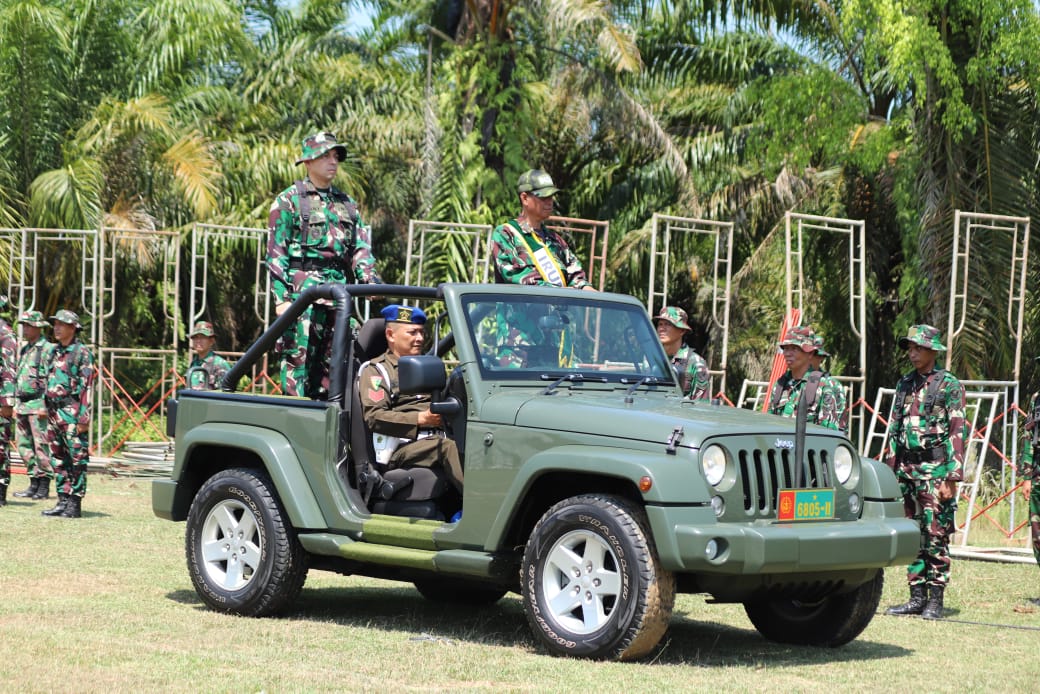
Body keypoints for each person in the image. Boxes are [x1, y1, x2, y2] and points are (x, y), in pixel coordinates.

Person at [267, 130, 382, 398]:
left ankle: (333, 420)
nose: (333, 161)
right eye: (325, 156)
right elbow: (276, 253)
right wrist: (281, 299)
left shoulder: (347, 205)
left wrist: (369, 279)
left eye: (335, 156)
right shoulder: (289, 201)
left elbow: (360, 247)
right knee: (300, 371)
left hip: (339, 297)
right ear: (308, 161)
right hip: (303, 300)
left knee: (339, 371)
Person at [883, 324, 965, 620]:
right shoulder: (904, 384)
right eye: (910, 348)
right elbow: (895, 428)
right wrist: (890, 471)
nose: (912, 353)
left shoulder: (949, 385)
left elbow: (957, 431)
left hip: (935, 472)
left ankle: (935, 599)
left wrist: (952, 477)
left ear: (933, 351)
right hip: (906, 471)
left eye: (918, 348)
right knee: (912, 535)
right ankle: (916, 597)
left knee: (935, 535)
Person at [358, 305, 463, 493]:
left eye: (422, 332)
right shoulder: (377, 371)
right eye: (413, 332)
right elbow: (374, 416)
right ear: (391, 335)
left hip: (435, 438)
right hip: (400, 448)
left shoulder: (427, 366)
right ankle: (482, 505)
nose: (420, 338)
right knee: (447, 447)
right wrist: (420, 419)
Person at [489, 169, 595, 290]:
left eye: (551, 196)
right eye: (543, 197)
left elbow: (576, 276)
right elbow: (520, 279)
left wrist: (586, 288)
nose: (549, 202)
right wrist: (563, 292)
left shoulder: (555, 240)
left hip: (560, 302)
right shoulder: (506, 234)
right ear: (524, 198)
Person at [41, 310, 96, 519]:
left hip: (72, 412)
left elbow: (87, 387)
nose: (56, 328)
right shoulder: (54, 351)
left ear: (73, 328)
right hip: (54, 412)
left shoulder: (82, 353)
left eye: (61, 324)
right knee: (57, 457)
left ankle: (74, 502)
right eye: (55, 324)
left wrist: (83, 417)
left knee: (77, 457)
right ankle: (62, 499)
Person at [767, 325, 848, 433]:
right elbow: (769, 424)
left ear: (810, 353)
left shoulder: (825, 386)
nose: (788, 353)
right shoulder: (780, 385)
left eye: (795, 348)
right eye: (786, 348)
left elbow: (830, 434)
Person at [11, 310, 55, 501]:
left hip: (38, 404)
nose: (25, 329)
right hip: (23, 404)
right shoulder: (25, 349)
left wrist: (45, 405)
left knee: (41, 446)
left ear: (38, 327)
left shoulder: (47, 349)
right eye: (24, 326)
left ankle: (44, 485)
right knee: (23, 446)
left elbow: (50, 379)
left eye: (29, 326)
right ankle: (33, 482)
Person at [653, 306, 709, 400]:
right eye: (660, 324)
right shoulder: (651, 359)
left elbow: (701, 403)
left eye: (668, 324)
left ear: (682, 331)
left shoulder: (696, 363)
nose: (662, 328)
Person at [1018, 375, 1040, 607]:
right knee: (1038, 536)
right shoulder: (1037, 398)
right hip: (1038, 476)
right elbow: (1028, 437)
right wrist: (1027, 477)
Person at [0, 296, 17, 507]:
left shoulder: (5, 334)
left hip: (1, 400)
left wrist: (7, 402)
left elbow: (9, 370)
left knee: (0, 447)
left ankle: (1, 488)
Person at [187, 321, 232, 391]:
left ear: (211, 341)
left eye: (203, 337)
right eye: (195, 337)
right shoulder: (194, 363)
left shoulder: (220, 364)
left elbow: (226, 392)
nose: (198, 341)